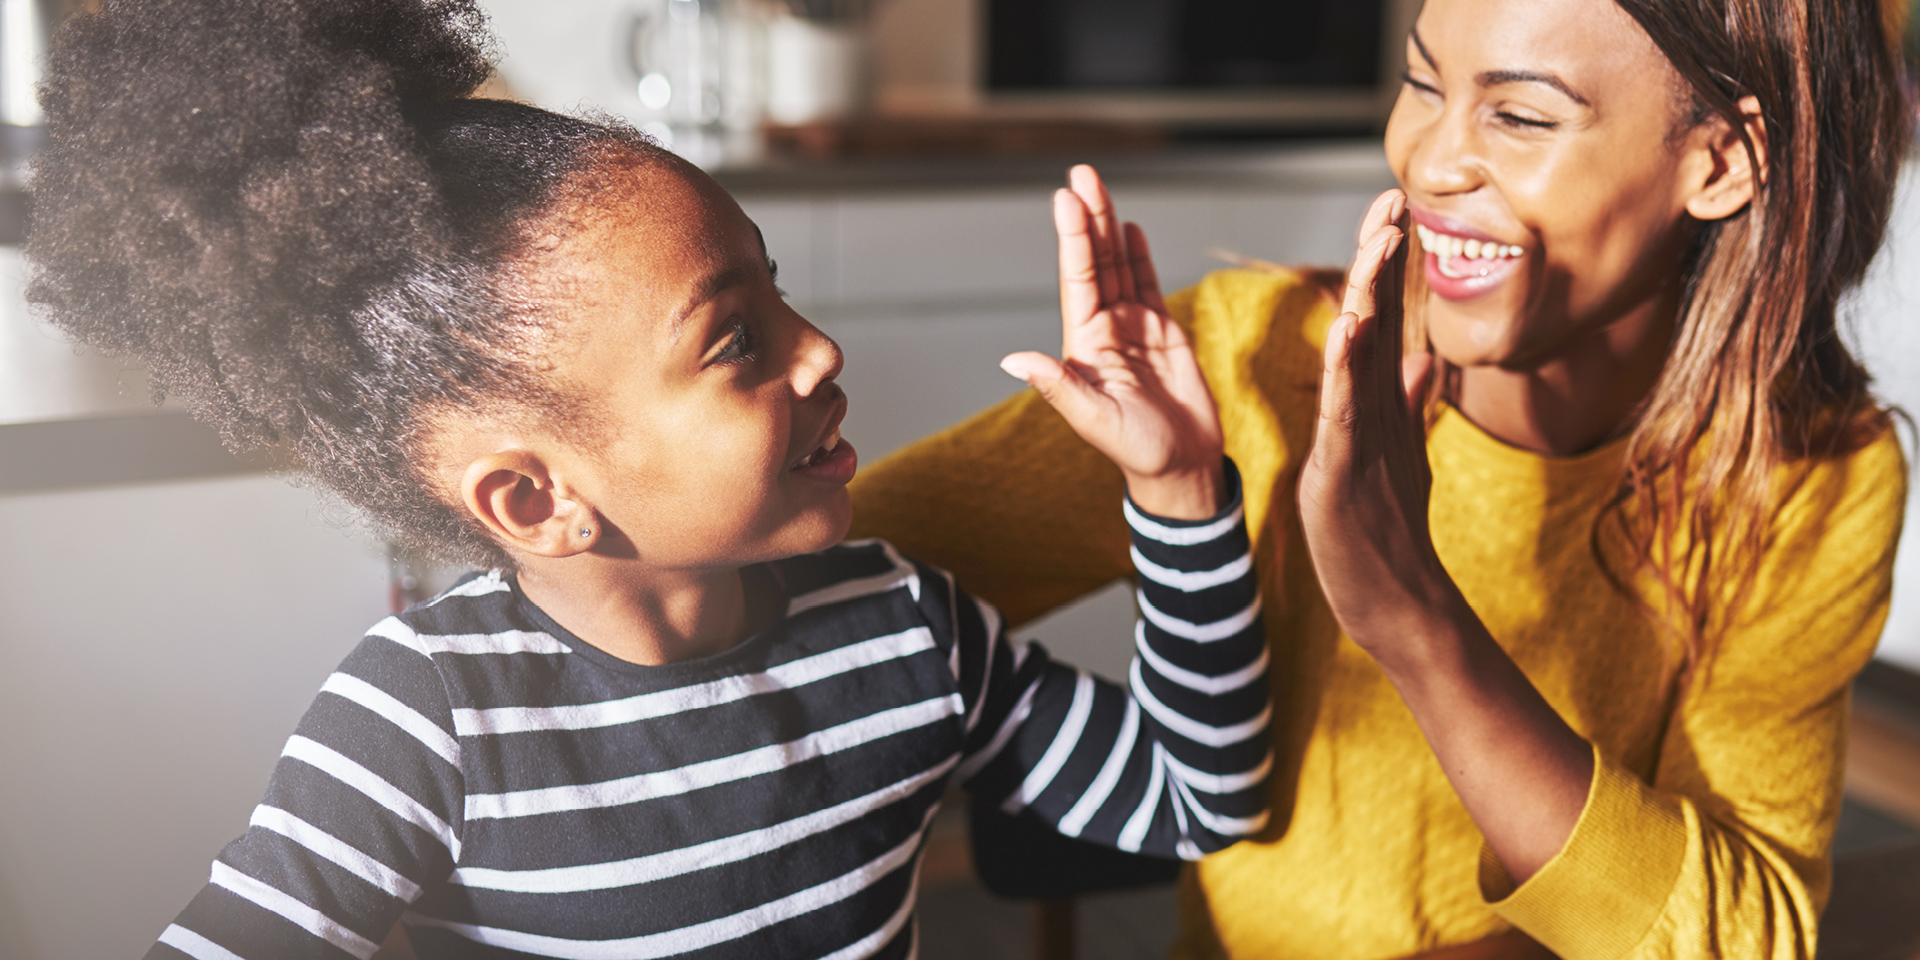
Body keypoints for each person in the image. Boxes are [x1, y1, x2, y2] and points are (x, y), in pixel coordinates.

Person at [29, 1, 1276, 957]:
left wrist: (1177, 491)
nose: (820, 349)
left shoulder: (907, 624)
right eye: (735, 338)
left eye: (777, 289)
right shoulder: (428, 720)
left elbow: (1198, 801)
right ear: (537, 502)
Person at [849, 0, 1910, 957]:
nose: (1429, 161)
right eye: (1420, 82)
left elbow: (1746, 935)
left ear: (1722, 162)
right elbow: (796, 586)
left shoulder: (1813, 478)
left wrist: (1414, 618)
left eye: (1521, 116)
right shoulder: (1241, 365)